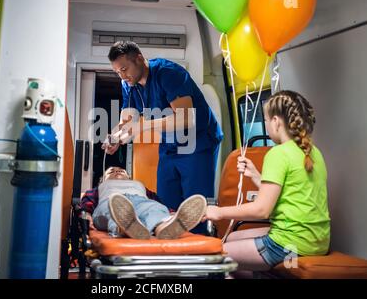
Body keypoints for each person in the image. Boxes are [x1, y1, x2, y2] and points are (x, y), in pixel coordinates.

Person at [102, 41, 224, 233]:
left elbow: (186, 118)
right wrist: (116, 135)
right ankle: (168, 248)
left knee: (194, 205)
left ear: (140, 59)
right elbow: (128, 119)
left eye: (124, 69)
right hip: (169, 143)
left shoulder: (169, 73)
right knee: (166, 203)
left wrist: (142, 126)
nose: (123, 76)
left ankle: (197, 251)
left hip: (197, 142)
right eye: (118, 72)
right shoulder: (128, 84)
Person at [203, 90, 331, 274]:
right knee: (232, 238)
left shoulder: (278, 153)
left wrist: (219, 212)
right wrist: (255, 174)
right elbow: (289, 194)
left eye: (265, 119)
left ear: (276, 122)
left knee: (214, 259)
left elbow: (262, 209)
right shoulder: (314, 153)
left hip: (289, 244)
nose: (265, 124)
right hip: (316, 242)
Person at [80, 166, 207, 239]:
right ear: (103, 180)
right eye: (111, 171)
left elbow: (156, 203)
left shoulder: (140, 187)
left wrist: (173, 214)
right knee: (114, 210)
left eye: (121, 170)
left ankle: (164, 228)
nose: (117, 172)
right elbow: (86, 205)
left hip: (141, 202)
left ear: (129, 177)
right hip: (110, 202)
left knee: (154, 209)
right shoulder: (99, 189)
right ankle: (123, 228)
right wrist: (87, 217)